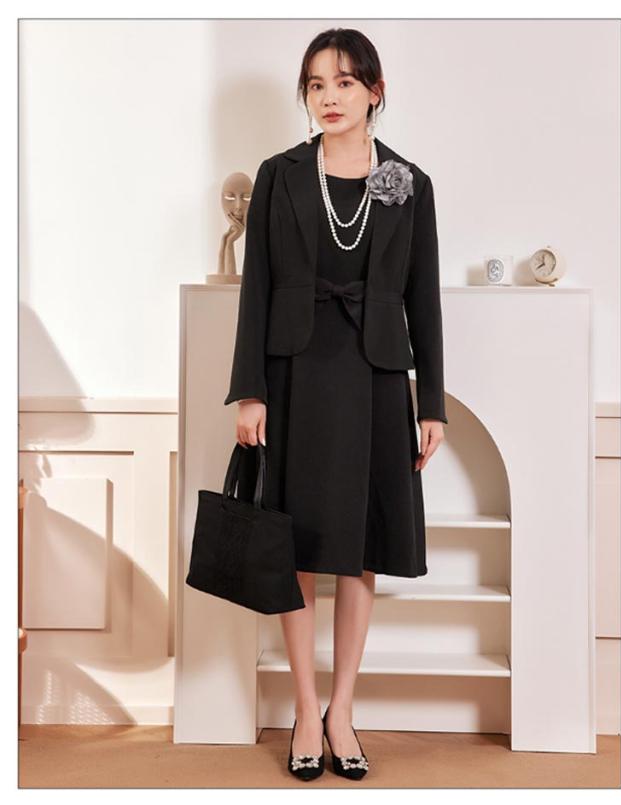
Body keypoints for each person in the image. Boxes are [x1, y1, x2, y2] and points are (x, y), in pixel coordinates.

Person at [223, 27, 447, 781]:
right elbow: (256, 289)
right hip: (294, 374)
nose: (330, 96)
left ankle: (342, 710)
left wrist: (431, 402)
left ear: (375, 91)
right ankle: (305, 706)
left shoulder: (407, 182)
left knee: (359, 551)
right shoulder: (280, 175)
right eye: (317, 84)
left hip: (376, 376)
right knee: (297, 548)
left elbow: (423, 297)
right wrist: (249, 389)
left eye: (346, 82)